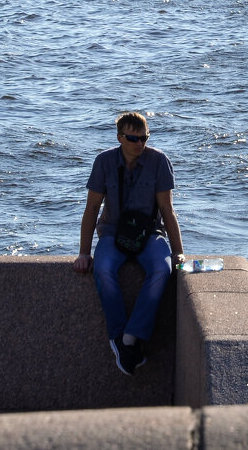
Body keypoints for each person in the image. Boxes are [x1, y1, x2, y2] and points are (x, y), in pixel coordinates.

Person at [73, 112, 184, 376]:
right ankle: (117, 335)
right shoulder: (104, 162)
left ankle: (130, 337)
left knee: (161, 268)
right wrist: (83, 254)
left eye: (144, 138)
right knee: (103, 268)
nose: (140, 144)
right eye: (133, 138)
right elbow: (91, 208)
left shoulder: (159, 162)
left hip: (149, 232)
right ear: (120, 137)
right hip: (112, 232)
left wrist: (178, 253)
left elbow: (167, 210)